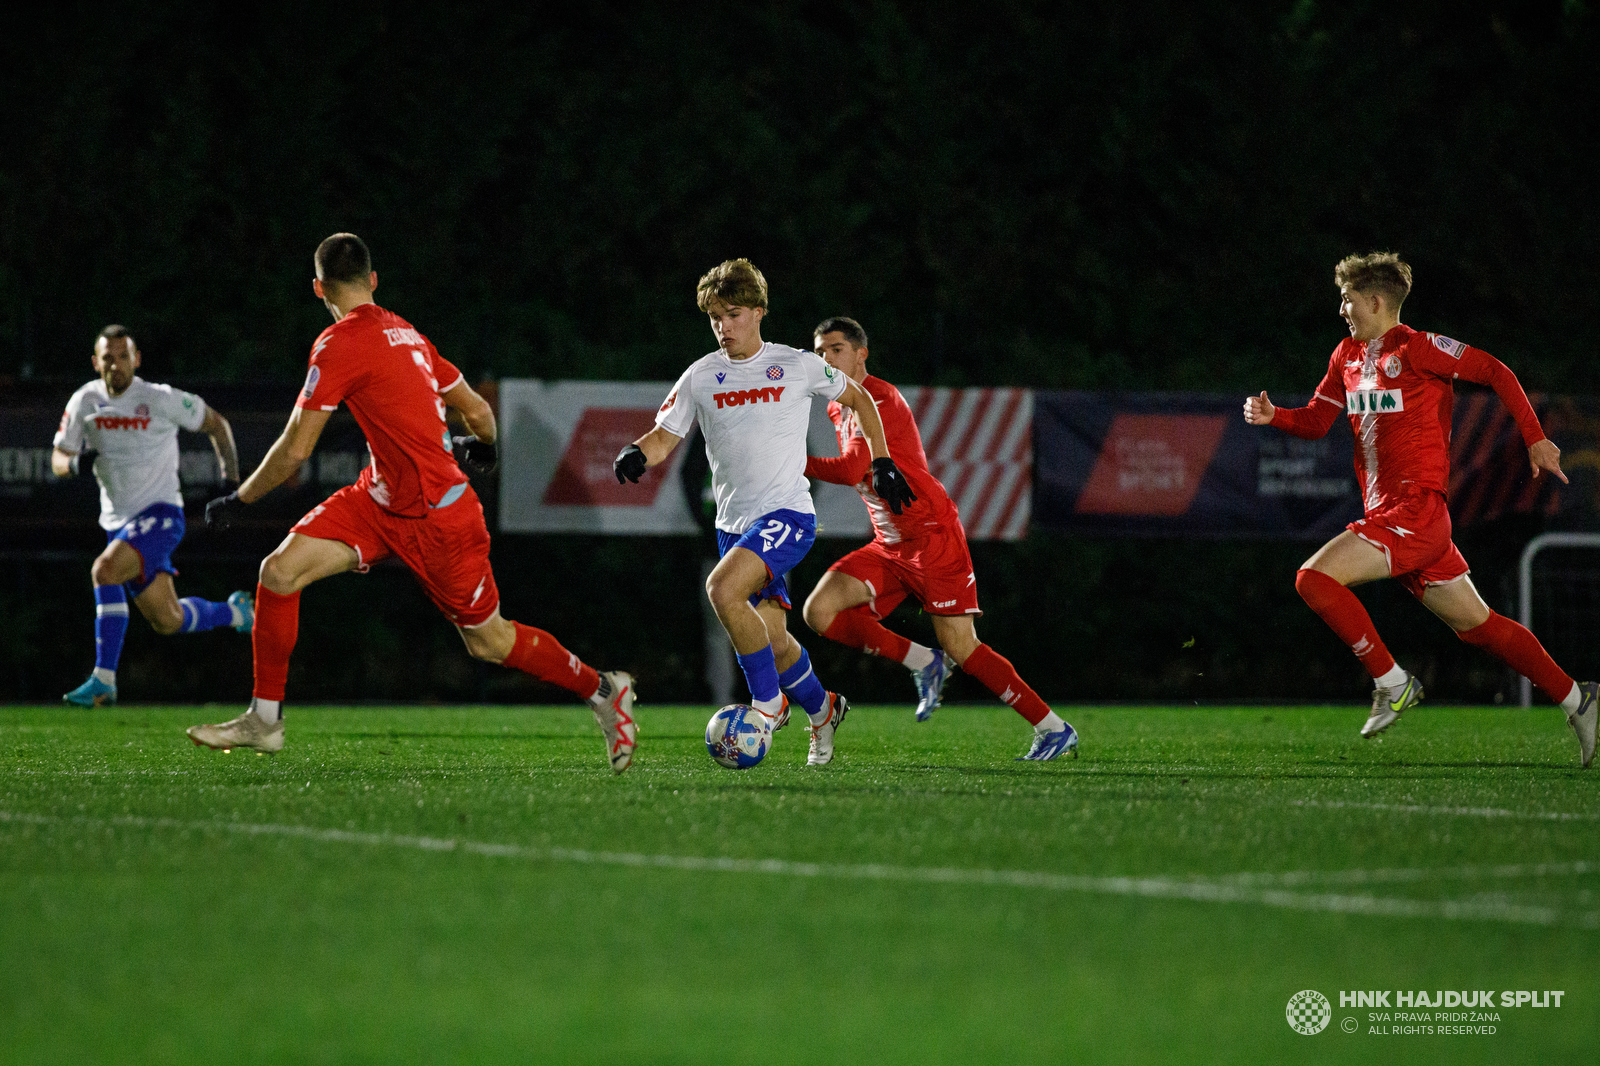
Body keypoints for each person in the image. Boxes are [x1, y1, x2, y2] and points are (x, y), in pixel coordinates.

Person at [187, 233, 637, 771]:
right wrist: (486, 448)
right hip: (378, 502)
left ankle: (603, 689)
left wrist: (241, 498)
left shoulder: (338, 343)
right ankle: (264, 720)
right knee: (279, 573)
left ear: (318, 288)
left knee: (489, 643)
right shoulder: (412, 335)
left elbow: (296, 449)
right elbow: (476, 413)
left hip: (438, 518)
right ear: (373, 280)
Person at [1244, 252, 1595, 766]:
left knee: (1312, 580)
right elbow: (1319, 419)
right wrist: (1277, 416)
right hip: (1396, 516)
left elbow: (1494, 370)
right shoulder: (1346, 356)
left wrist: (1536, 439)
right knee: (1480, 627)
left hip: (1414, 512)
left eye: (1348, 299)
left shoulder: (1419, 348)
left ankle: (1392, 681)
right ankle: (1577, 698)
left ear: (1376, 301)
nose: (1342, 308)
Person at [613, 259, 915, 765]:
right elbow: (666, 435)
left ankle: (767, 704)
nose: (723, 327)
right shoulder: (701, 376)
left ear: (758, 312)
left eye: (732, 314)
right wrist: (637, 450)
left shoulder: (795, 364)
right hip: (734, 527)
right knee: (773, 640)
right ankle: (824, 710)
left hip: (788, 516)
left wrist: (881, 460)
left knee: (721, 589)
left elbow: (860, 397)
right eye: (715, 317)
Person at [800, 317, 1079, 761]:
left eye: (835, 349)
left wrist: (792, 461)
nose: (825, 359)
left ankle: (1053, 727)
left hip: (931, 538)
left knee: (962, 647)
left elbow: (854, 469)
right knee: (819, 611)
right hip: (889, 544)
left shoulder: (879, 397)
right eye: (818, 353)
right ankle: (922, 661)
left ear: (860, 354)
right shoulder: (838, 405)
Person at [52, 324, 251, 706]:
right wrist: (74, 464)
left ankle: (103, 680)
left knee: (104, 571)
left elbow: (217, 424)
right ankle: (235, 613)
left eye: (123, 356)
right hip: (118, 525)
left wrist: (231, 482)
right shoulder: (84, 402)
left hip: (161, 515)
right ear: (96, 363)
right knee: (168, 620)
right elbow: (58, 457)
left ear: (136, 359)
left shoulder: (159, 398)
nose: (116, 365)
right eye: (108, 358)